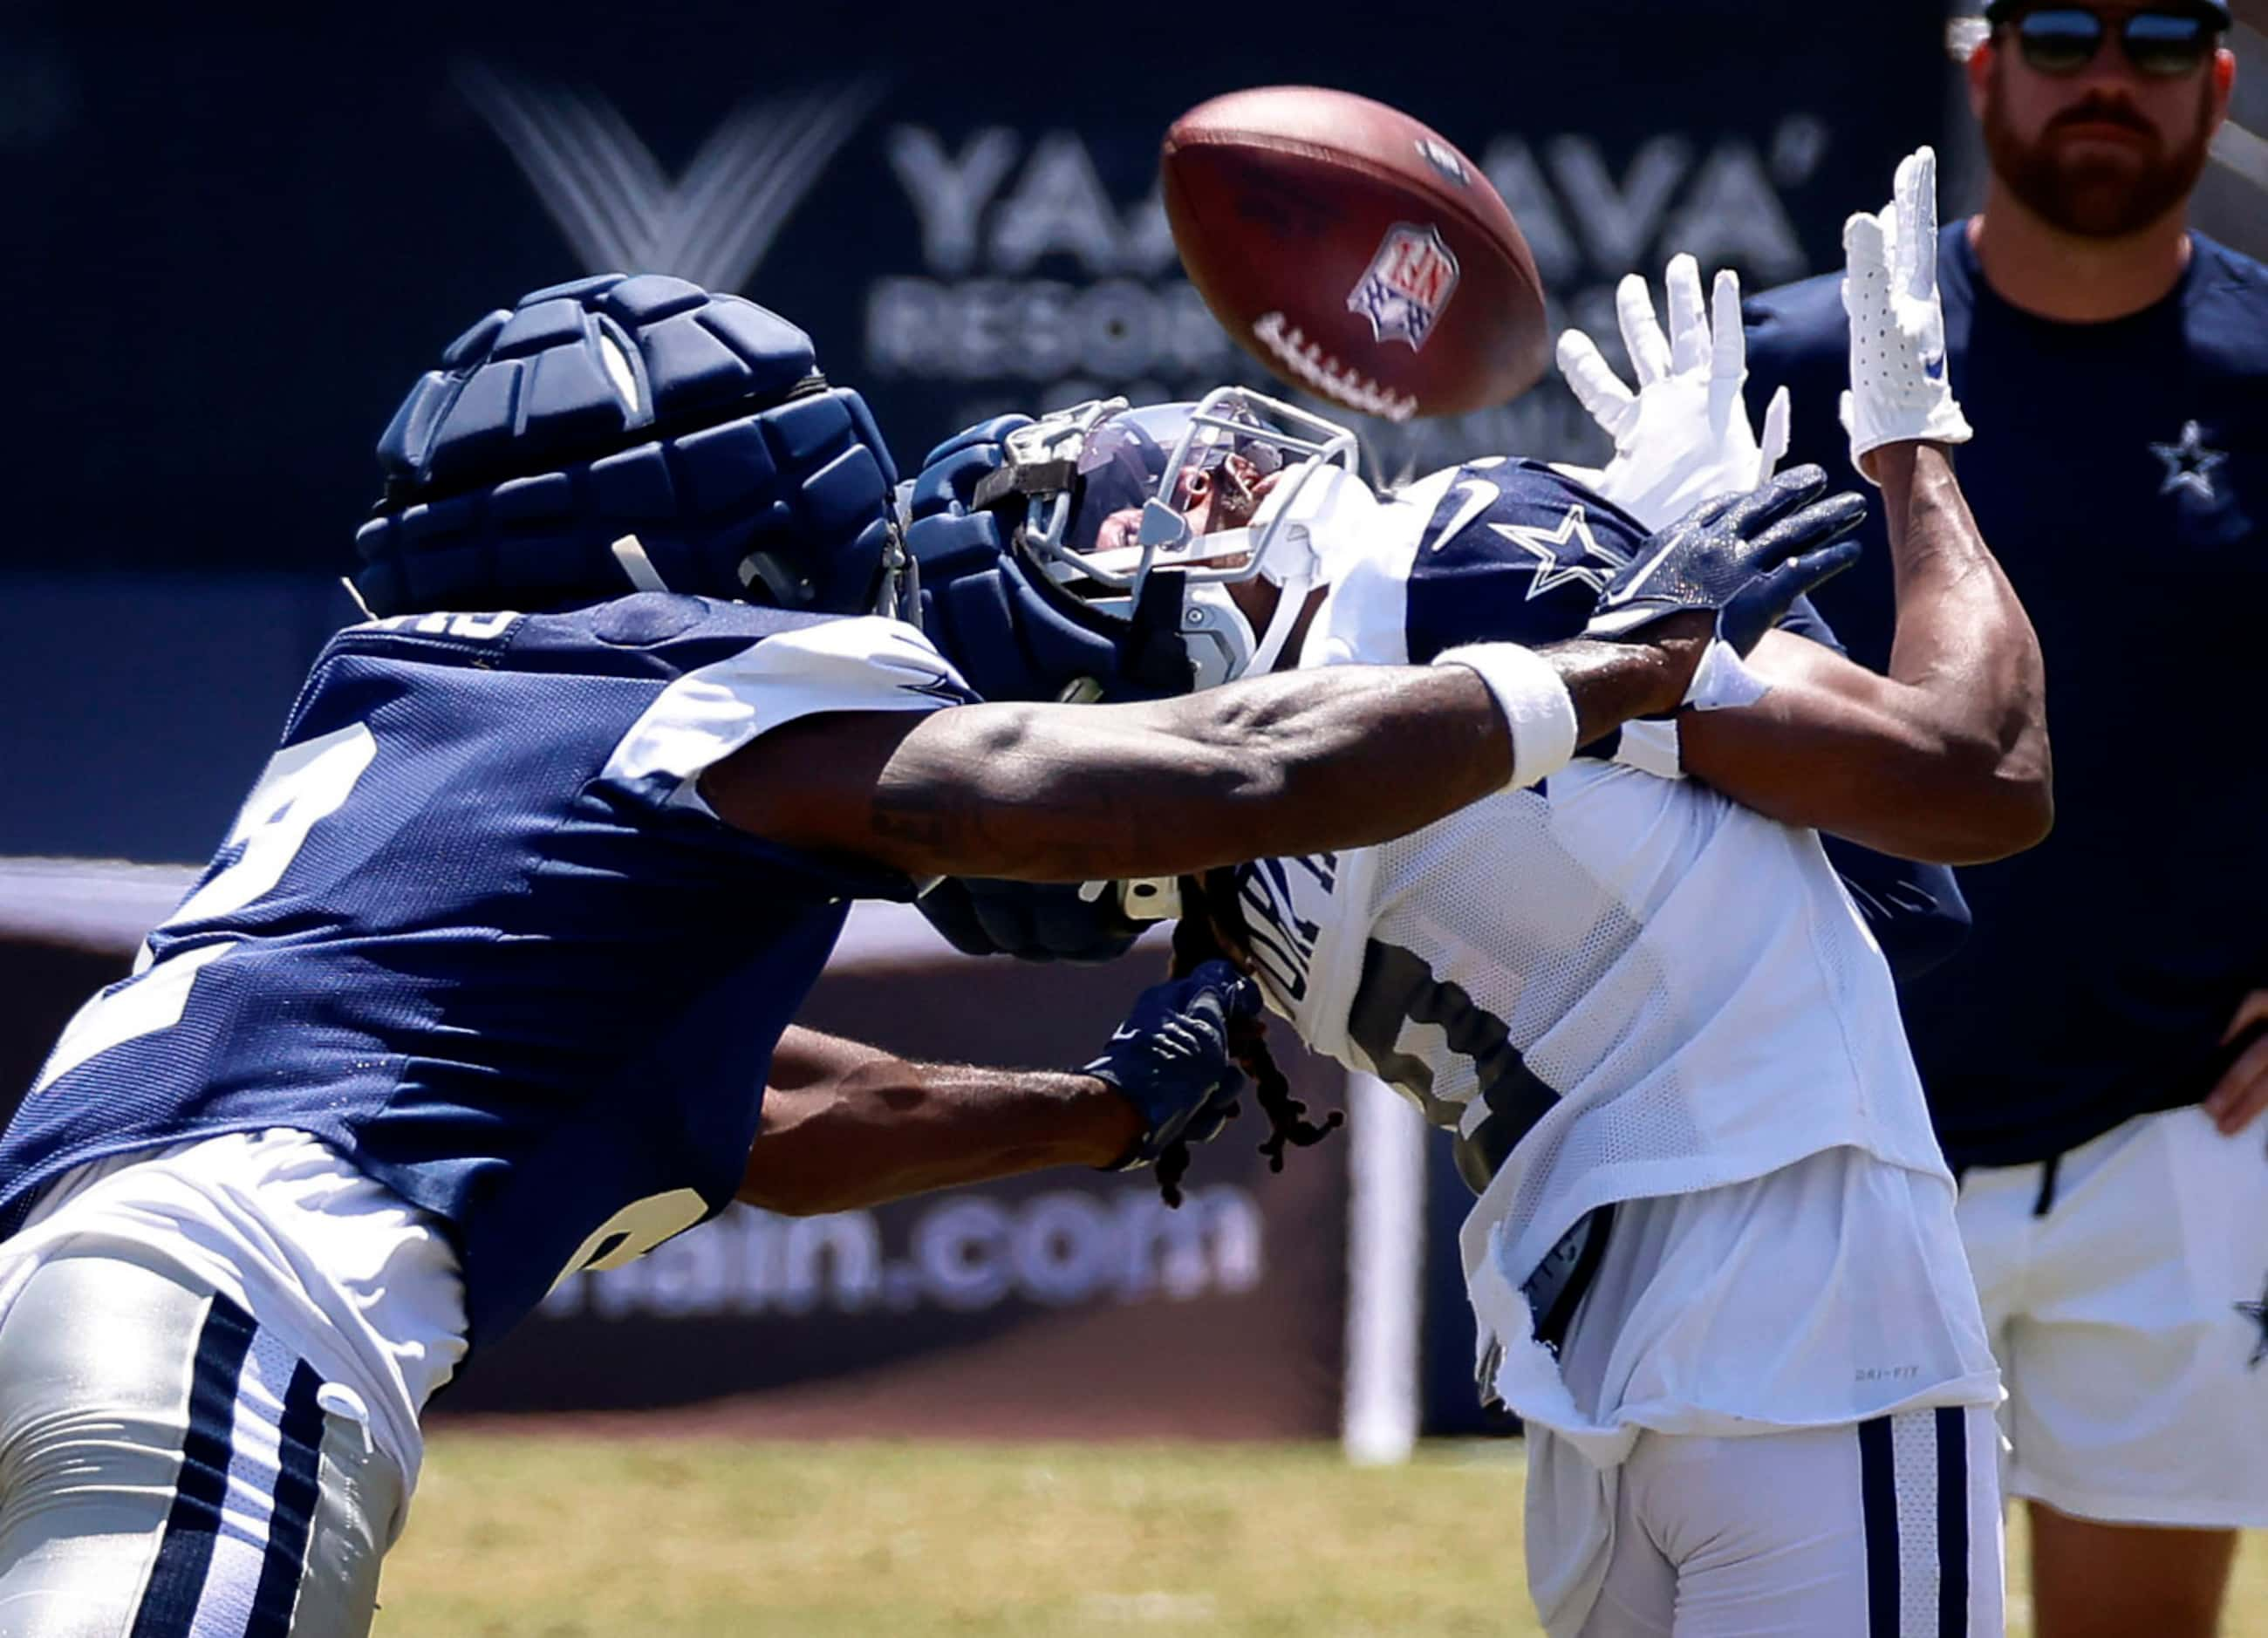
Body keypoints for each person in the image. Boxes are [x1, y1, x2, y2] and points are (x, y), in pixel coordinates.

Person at [0, 273, 1845, 1636]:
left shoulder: (405, 731)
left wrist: (1093, 1119)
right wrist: (1621, 662)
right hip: (223, 1327)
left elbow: (788, 1117)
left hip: (78, 1285)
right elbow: (1191, 777)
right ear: (658, 533)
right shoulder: (665, 672)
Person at [903, 153, 2051, 1635]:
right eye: (1107, 521)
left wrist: (1698, 592)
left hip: (1601, 1376)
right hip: (1810, 1327)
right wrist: (1910, 455)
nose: (1178, 470)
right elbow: (1981, 776)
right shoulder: (1449, 564)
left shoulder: (1238, 881)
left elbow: (1881, 919)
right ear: (1118, 646)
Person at [1744, 8, 2268, 1634]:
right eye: (2063, 28)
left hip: (2185, 1137)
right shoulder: (1798, 358)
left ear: (2221, 83)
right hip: (1834, 1133)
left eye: (2164, 36)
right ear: (1982, 68)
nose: (2110, 72)